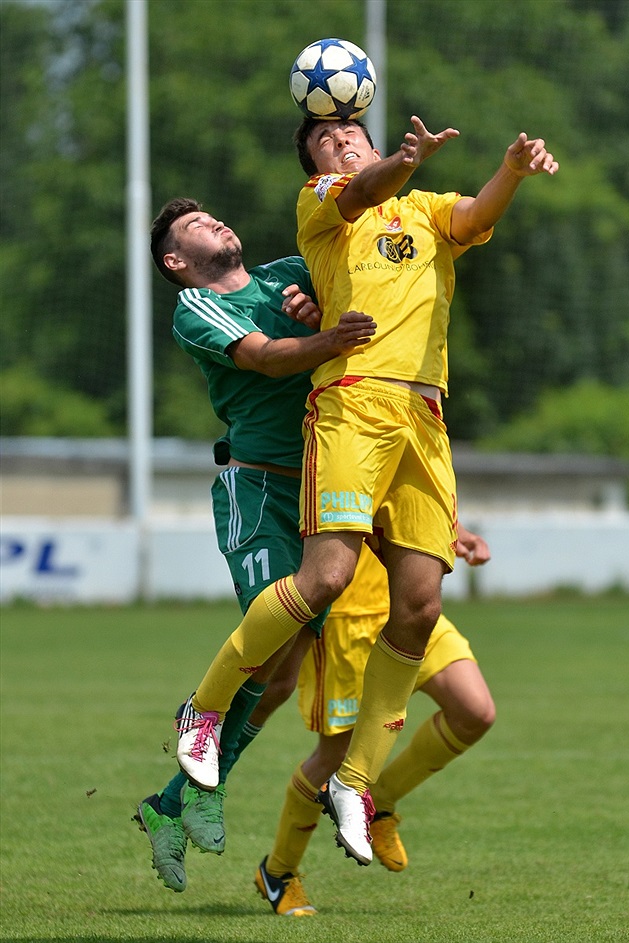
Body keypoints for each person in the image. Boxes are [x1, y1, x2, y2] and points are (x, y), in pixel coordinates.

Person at [173, 117, 559, 867]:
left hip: (425, 413)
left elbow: (475, 217)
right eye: (324, 139)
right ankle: (206, 710)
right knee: (326, 578)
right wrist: (399, 164)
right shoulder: (324, 203)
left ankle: (358, 784)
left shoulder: (423, 211)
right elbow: (360, 190)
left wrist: (510, 168)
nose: (340, 142)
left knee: (420, 604)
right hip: (352, 401)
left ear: (377, 140)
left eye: (352, 131)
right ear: (315, 165)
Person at [134, 196, 375, 893]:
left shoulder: (290, 272)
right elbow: (267, 359)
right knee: (273, 641)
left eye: (211, 215)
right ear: (178, 262)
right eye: (194, 228)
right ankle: (197, 733)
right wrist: (327, 339)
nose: (214, 222)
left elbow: (357, 307)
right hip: (258, 492)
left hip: (318, 494)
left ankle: (173, 801)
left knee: (283, 673)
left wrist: (322, 315)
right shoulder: (195, 308)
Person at [252, 529, 494, 917]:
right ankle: (278, 871)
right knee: (334, 759)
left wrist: (453, 528)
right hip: (345, 623)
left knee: (474, 712)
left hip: (407, 606)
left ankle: (378, 800)